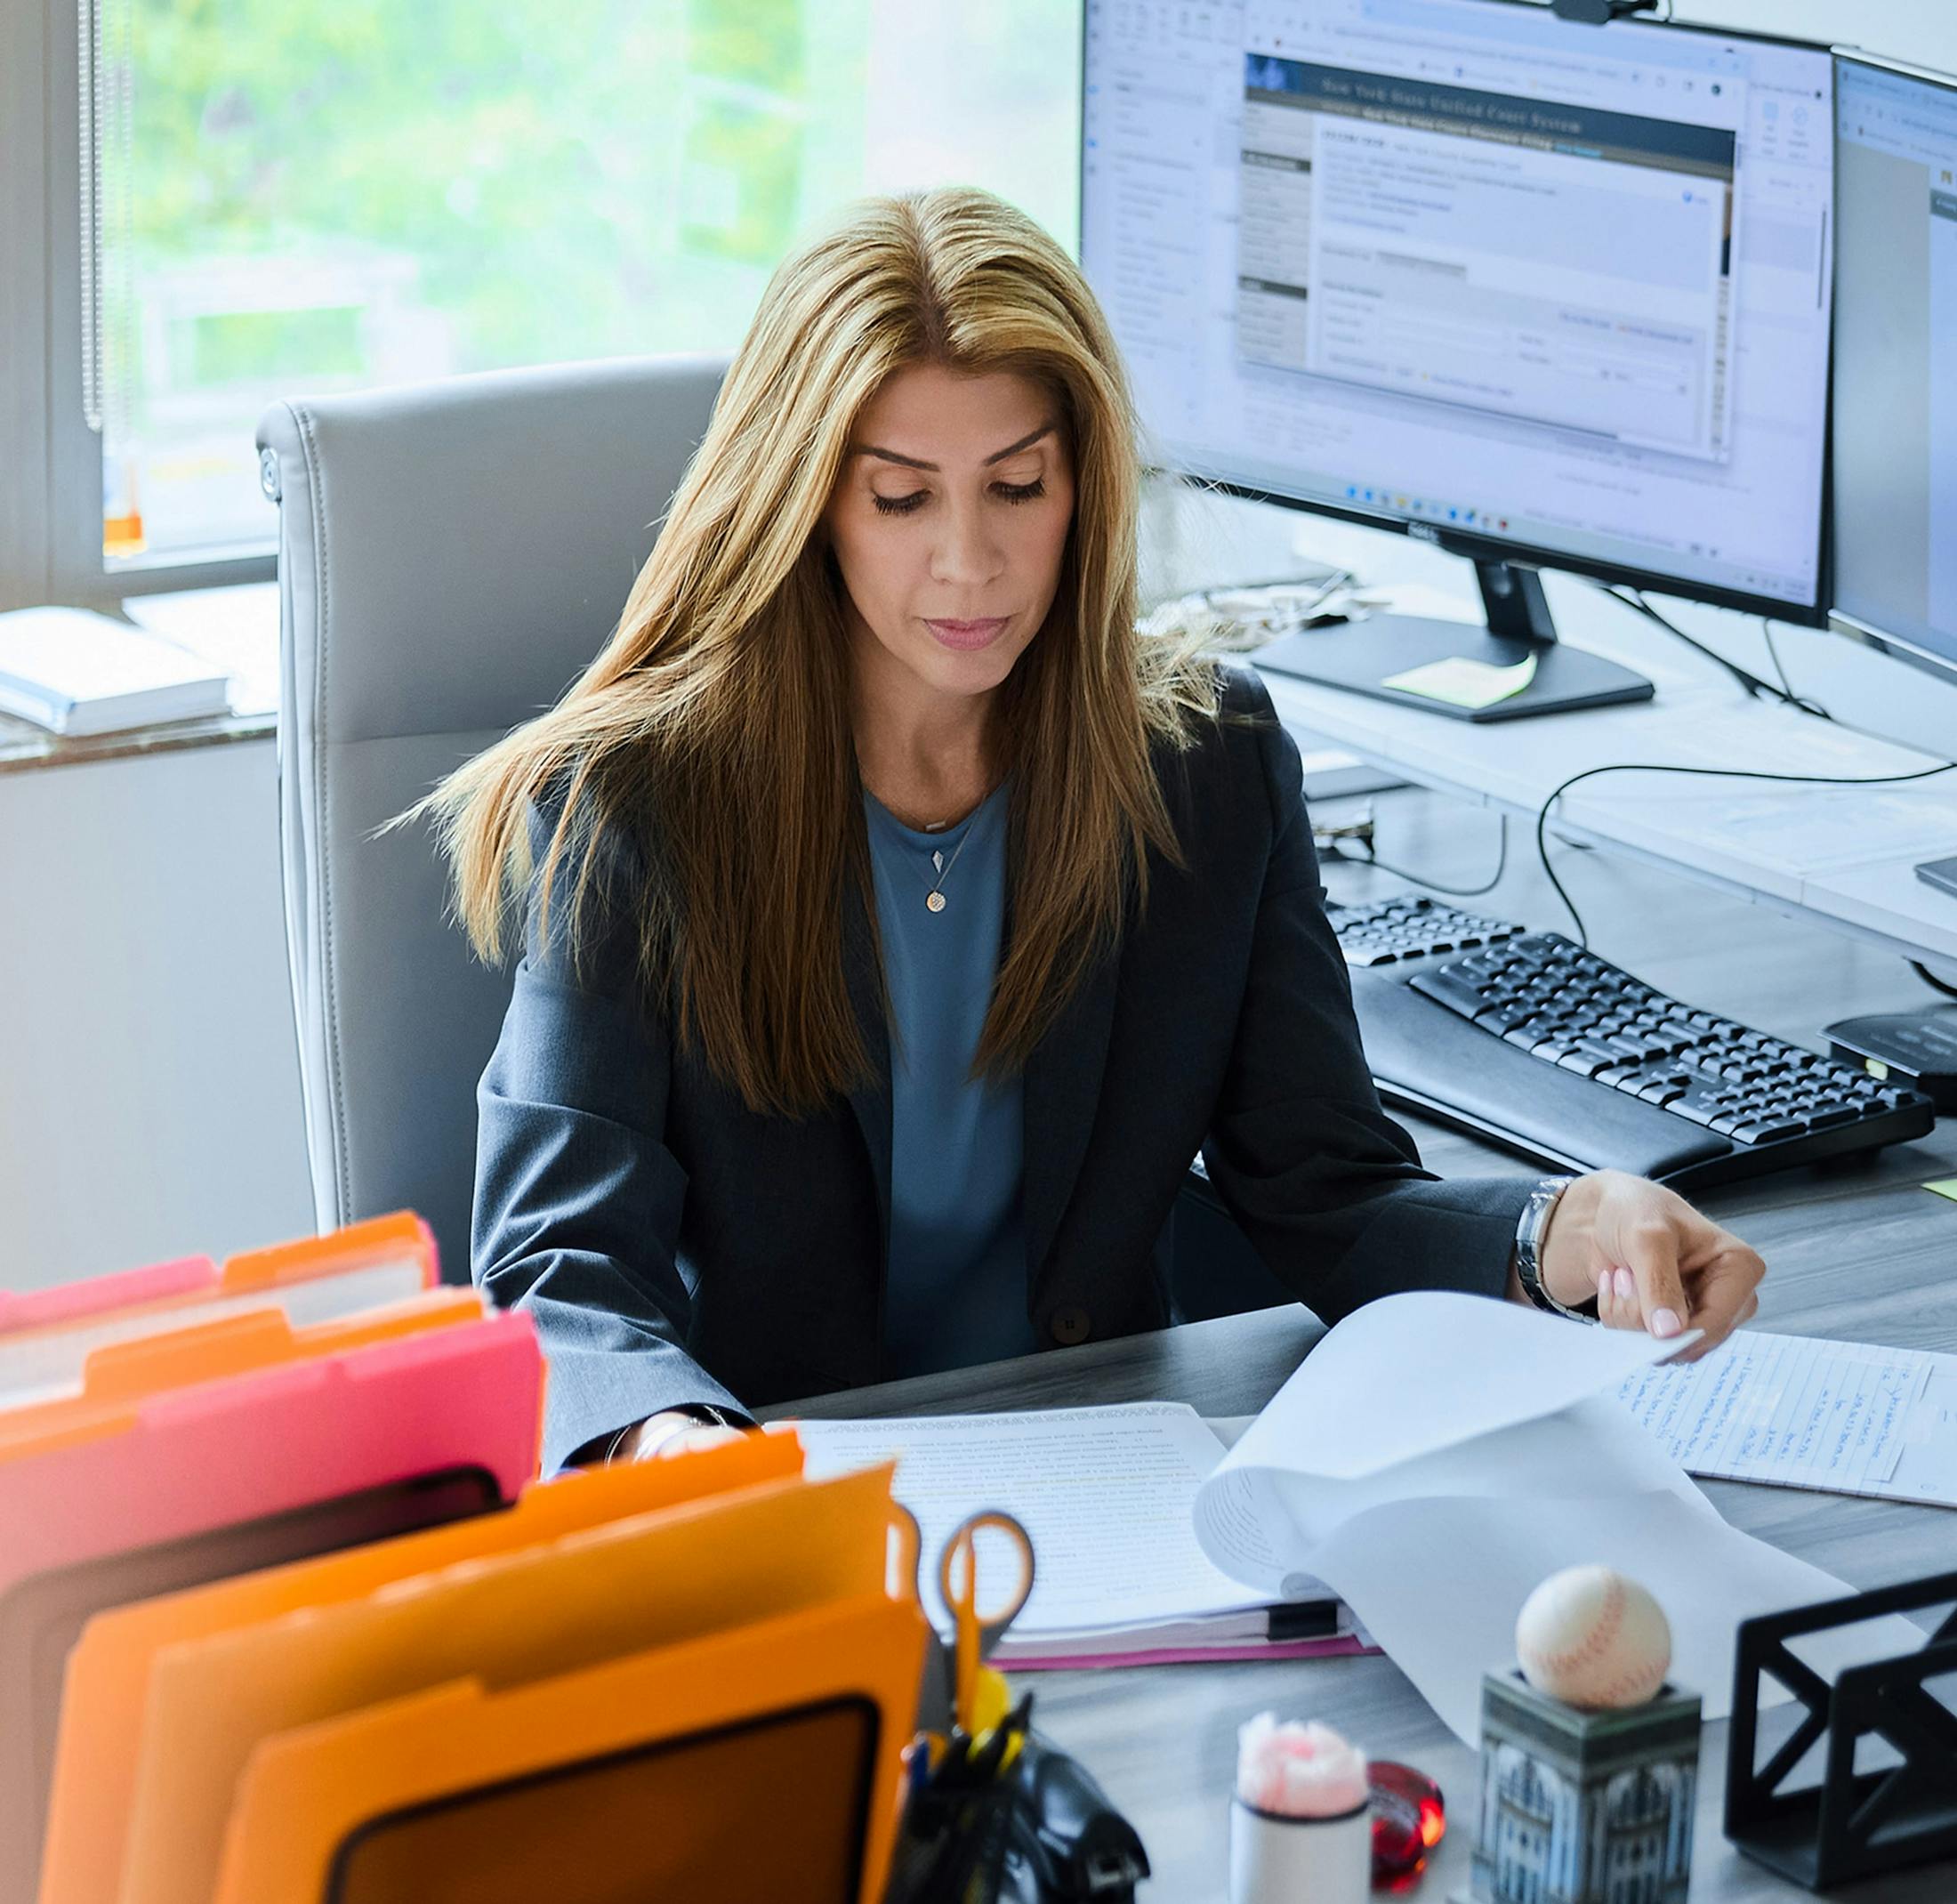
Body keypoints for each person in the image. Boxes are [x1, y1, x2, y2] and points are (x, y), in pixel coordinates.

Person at [415, 187, 1765, 1476]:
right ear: (808, 501)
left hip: (1113, 1473)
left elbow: (1327, 1192)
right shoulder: (642, 805)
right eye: (902, 498)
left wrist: (1560, 1232)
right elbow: (562, 1269)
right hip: (785, 1492)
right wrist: (669, 1441)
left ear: (1085, 489)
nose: (970, 561)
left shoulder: (1206, 767)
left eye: (1018, 487)